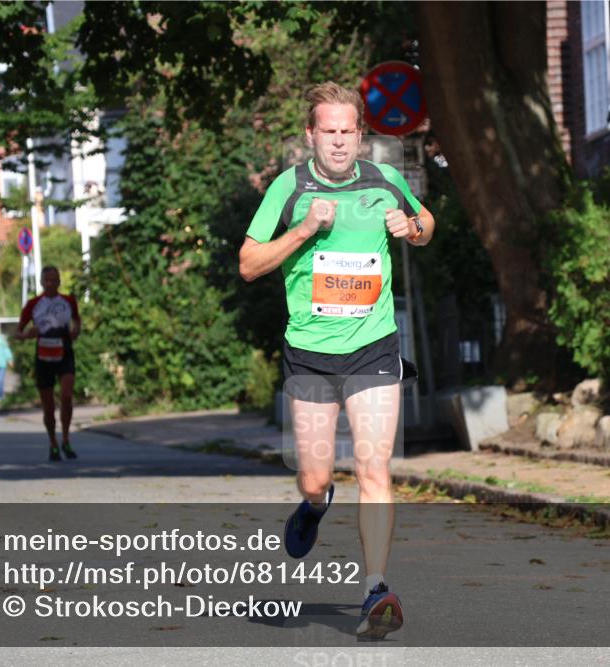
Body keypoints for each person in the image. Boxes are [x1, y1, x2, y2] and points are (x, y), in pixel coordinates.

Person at [239, 81, 435, 639]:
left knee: (374, 469)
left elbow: (426, 224)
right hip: (310, 354)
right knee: (314, 475)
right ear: (311, 135)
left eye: (350, 131)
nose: (341, 141)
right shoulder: (289, 188)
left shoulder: (385, 180)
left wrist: (413, 229)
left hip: (374, 344)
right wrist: (303, 229)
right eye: (330, 131)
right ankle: (314, 503)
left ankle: (376, 587)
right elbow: (249, 264)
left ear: (361, 135)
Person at [15, 266, 81, 462]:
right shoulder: (33, 304)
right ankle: (53, 443)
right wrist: (27, 335)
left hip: (64, 353)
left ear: (59, 281)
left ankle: (66, 439)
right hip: (43, 356)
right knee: (48, 406)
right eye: (47, 281)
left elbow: (77, 321)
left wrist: (76, 330)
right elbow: (18, 332)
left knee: (67, 397)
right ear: (42, 283)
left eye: (54, 280)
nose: (51, 284)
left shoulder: (68, 301)